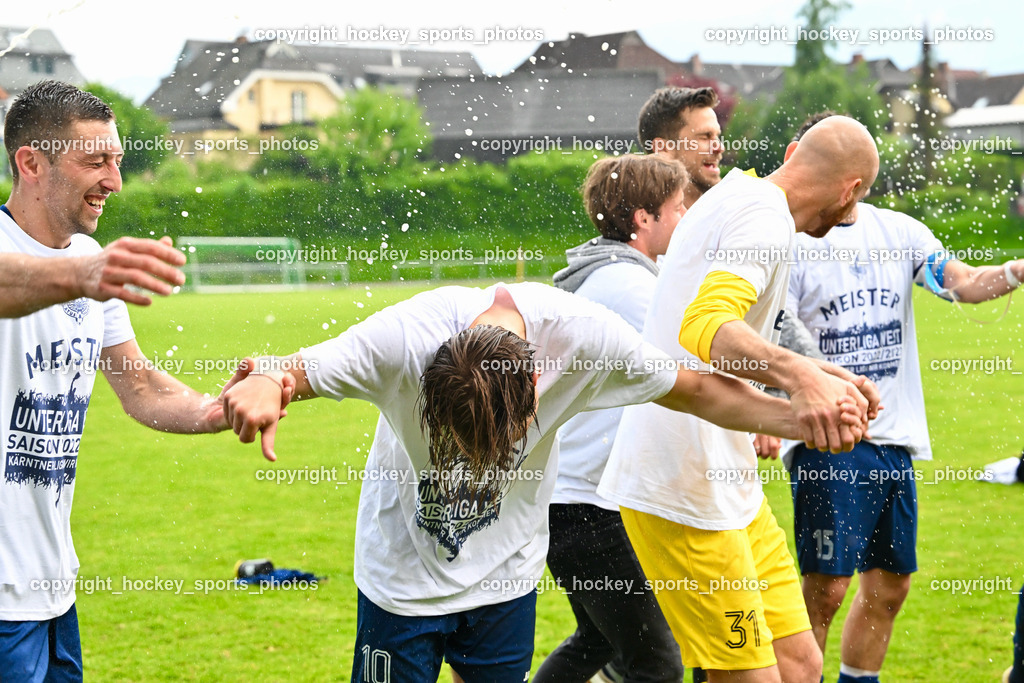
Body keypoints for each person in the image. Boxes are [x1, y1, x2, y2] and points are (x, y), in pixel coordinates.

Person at [220, 278, 868, 683]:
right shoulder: (401, 336)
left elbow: (696, 388)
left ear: (537, 383)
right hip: (402, 586)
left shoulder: (587, 340)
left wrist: (798, 418)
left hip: (505, 581)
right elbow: (289, 368)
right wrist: (260, 384)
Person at [0, 80, 288, 681]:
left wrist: (213, 409)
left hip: (51, 585)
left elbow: (140, 387)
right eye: (94, 161)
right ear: (31, 162)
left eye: (118, 161)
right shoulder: (74, 265)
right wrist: (82, 273)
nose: (114, 180)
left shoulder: (88, 259)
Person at [598, 115, 882, 683]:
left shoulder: (742, 193)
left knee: (799, 665)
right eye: (857, 202)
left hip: (730, 483)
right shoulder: (764, 220)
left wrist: (815, 377)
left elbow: (710, 343)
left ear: (793, 150)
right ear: (850, 191)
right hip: (682, 495)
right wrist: (801, 378)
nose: (850, 216)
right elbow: (704, 328)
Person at [771, 111, 1024, 683]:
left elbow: (957, 283)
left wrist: (1012, 271)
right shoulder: (788, 241)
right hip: (831, 438)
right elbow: (770, 330)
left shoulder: (900, 231)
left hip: (895, 440)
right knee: (826, 588)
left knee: (890, 584)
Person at [535, 155, 688, 683]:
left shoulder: (623, 276)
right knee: (658, 664)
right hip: (588, 511)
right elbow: (698, 362)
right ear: (643, 218)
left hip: (581, 504)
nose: (686, 215)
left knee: (597, 639)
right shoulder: (628, 288)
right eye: (678, 206)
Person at [637, 86, 723, 208]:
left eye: (717, 136)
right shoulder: (638, 221)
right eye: (705, 137)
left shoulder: (733, 215)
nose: (719, 147)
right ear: (663, 148)